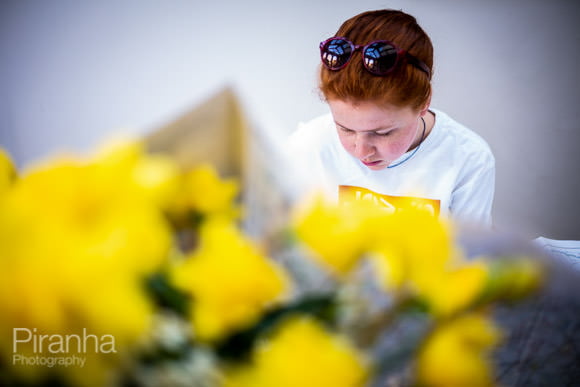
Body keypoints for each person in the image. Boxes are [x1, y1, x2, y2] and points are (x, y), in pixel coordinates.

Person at [288, 9, 495, 226]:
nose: (361, 151)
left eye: (382, 133)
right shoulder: (307, 147)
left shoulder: (469, 158)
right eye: (345, 129)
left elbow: (470, 256)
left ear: (424, 101)